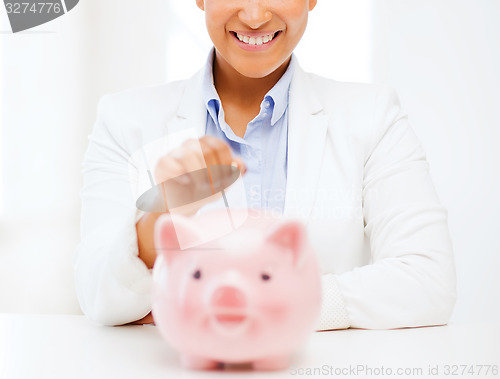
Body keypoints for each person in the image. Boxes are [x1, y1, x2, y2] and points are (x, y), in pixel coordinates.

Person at [74, 0, 457, 329]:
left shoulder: (373, 117)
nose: (255, 15)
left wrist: (267, 303)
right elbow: (97, 295)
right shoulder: (124, 120)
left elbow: (428, 279)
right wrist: (160, 221)